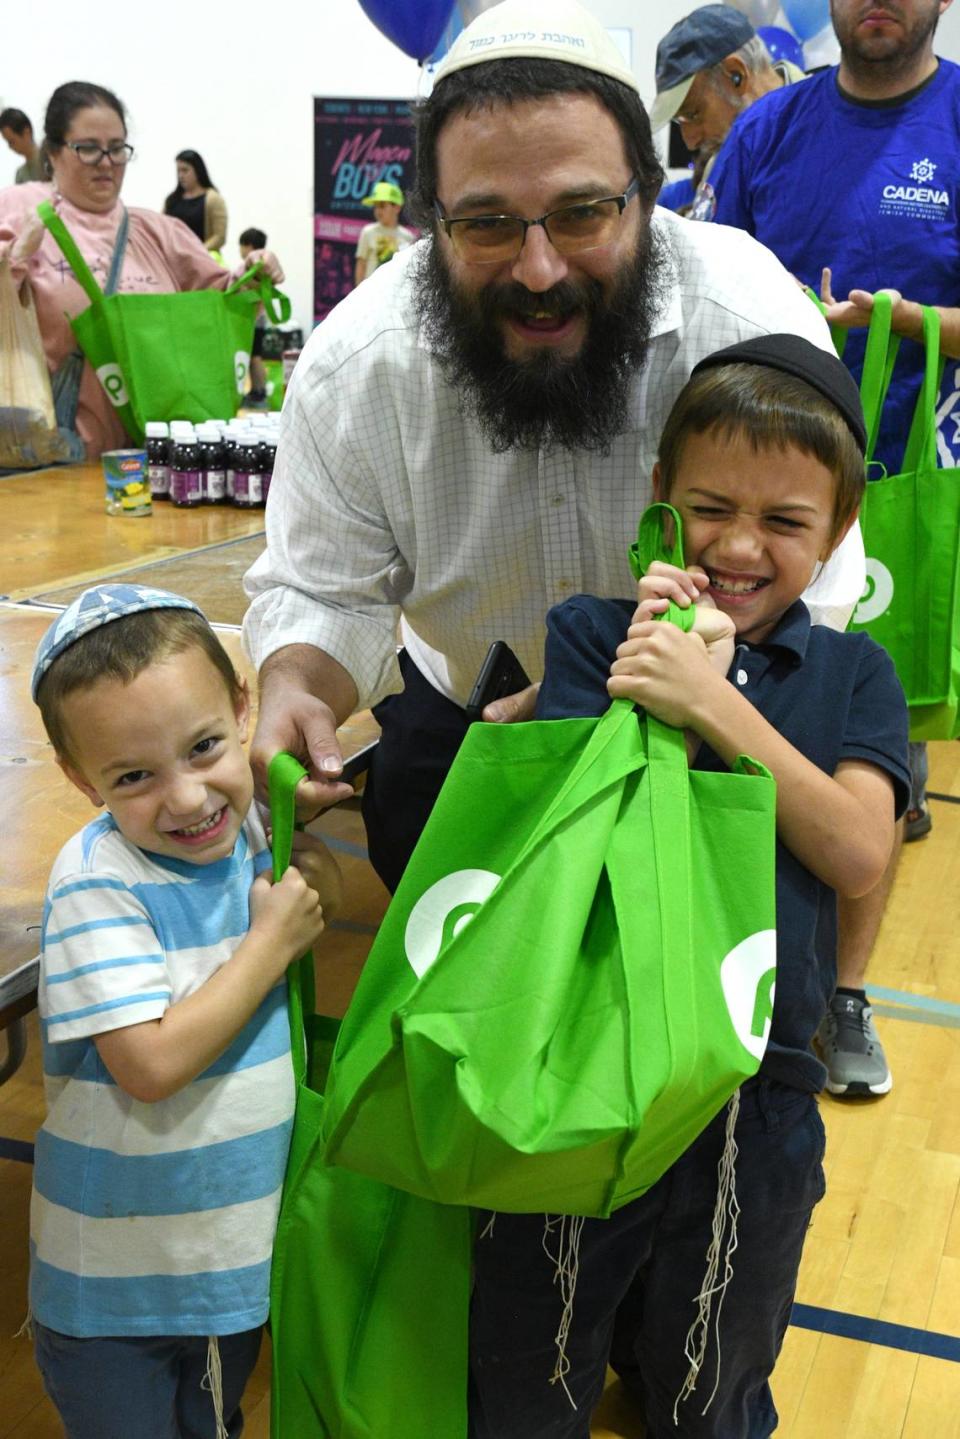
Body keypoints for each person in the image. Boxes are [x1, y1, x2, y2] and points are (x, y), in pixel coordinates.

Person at [242, 0, 864, 896]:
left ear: (647, 196)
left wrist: (656, 695)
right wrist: (297, 685)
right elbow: (319, 587)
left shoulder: (748, 322)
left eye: (582, 214)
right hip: (470, 726)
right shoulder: (358, 366)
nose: (539, 270)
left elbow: (824, 598)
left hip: (711, 732)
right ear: (434, 219)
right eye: (488, 224)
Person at [465, 335, 909, 1439]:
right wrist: (638, 666)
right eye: (711, 507)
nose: (742, 546)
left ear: (839, 532)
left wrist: (716, 704)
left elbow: (859, 851)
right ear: (661, 497)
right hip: (583, 1067)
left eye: (787, 523)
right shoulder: (592, 633)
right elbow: (556, 834)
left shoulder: (855, 672)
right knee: (531, 1361)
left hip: (757, 1089)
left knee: (713, 1378)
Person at [704, 0, 960, 1095]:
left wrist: (908, 327)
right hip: (760, 504)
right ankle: (723, 973)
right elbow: (699, 277)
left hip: (911, 494)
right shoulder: (766, 131)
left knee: (878, 763)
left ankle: (844, 996)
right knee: (735, 734)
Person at [28, 582, 339, 1439]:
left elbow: (312, 895)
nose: (189, 798)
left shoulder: (243, 830)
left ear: (243, 709)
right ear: (77, 777)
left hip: (223, 1265)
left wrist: (306, 868)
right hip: (116, 1293)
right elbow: (151, 1063)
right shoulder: (102, 880)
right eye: (134, 776)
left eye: (205, 747)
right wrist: (269, 943)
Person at [0, 83, 282, 459]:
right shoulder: (22, 213)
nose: (106, 162)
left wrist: (253, 275)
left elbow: (224, 306)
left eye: (117, 148)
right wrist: (17, 256)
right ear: (53, 152)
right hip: (54, 469)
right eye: (88, 148)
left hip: (154, 467)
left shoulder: (158, 232)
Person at [648, 5, 806, 221]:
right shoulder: (719, 162)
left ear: (736, 75)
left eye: (694, 114)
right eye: (680, 121)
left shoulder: (825, 128)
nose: (690, 142)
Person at [163, 149, 227, 256]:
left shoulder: (213, 199)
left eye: (185, 170)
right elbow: (161, 228)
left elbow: (219, 236)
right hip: (172, 261)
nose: (181, 175)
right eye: (178, 171)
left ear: (198, 171)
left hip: (202, 261)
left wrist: (197, 252)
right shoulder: (171, 199)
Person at [353, 179, 416, 285]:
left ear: (397, 208)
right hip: (371, 292)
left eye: (382, 206)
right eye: (376, 206)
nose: (378, 211)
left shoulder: (408, 237)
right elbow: (361, 264)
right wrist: (359, 293)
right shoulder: (368, 232)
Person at [239, 226, 270, 405]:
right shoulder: (262, 263)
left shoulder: (256, 265)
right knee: (253, 355)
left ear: (249, 246)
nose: (241, 251)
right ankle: (256, 391)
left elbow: (255, 288)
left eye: (242, 246)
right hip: (257, 317)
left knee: (255, 356)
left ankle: (260, 391)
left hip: (255, 319)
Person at [0, 107, 45, 183]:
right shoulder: (21, 175)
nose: (10, 147)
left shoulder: (52, 162)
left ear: (26, 133)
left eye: (12, 141)